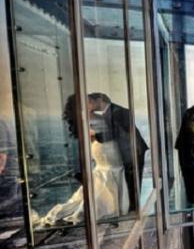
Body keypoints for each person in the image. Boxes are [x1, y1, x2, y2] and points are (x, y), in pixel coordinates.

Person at [41, 93, 145, 225]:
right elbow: (108, 133)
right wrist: (95, 135)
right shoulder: (90, 117)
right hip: (104, 147)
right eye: (86, 101)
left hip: (104, 147)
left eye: (89, 101)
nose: (88, 103)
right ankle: (112, 204)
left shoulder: (93, 116)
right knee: (110, 169)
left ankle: (112, 203)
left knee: (108, 170)